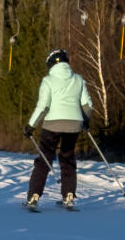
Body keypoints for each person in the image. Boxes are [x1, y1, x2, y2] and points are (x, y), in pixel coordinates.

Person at [26, 49, 94, 210]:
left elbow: (43, 106)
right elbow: (87, 105)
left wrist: (30, 126)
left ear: (50, 64)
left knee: (44, 159)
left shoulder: (48, 80)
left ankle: (34, 196)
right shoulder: (78, 79)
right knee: (67, 158)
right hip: (74, 124)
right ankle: (69, 195)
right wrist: (84, 120)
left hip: (52, 124)